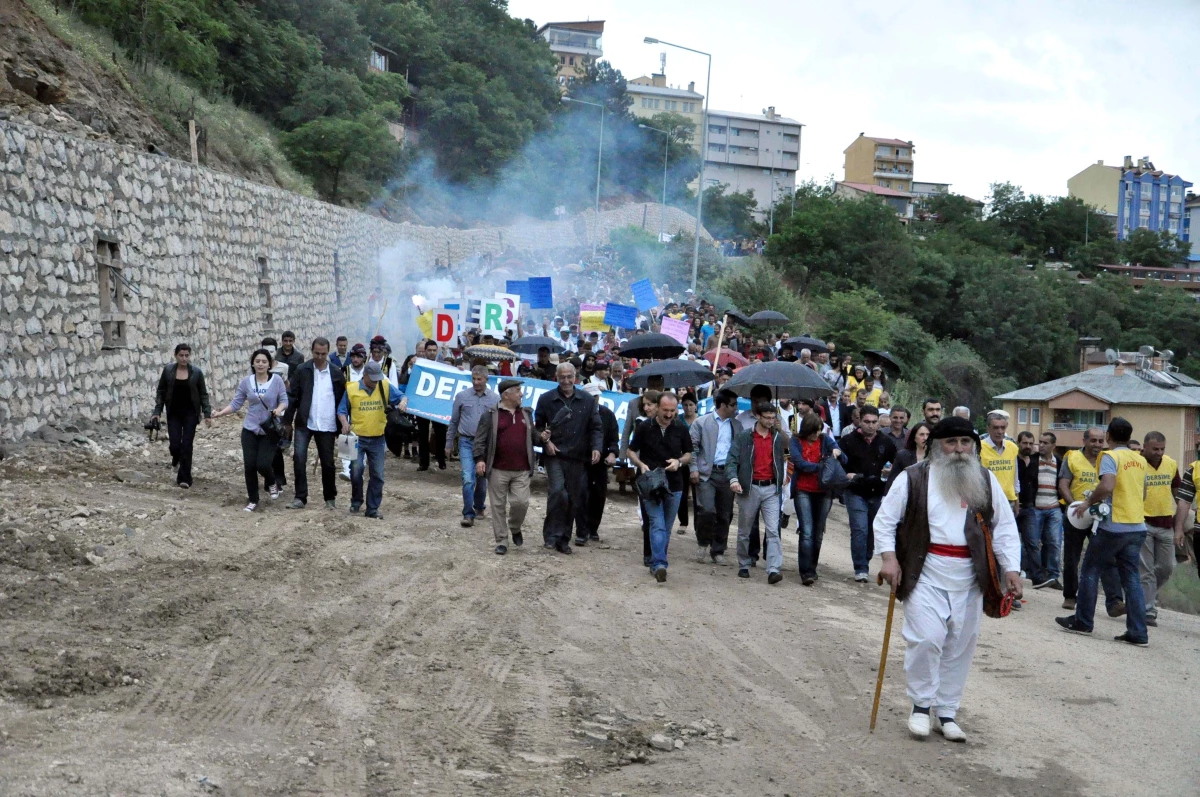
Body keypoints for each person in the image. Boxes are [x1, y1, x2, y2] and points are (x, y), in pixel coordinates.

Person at [876, 416, 1021, 742]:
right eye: (951, 443)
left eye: (965, 443)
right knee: (927, 639)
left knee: (960, 646)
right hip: (924, 573)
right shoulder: (912, 478)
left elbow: (1005, 528)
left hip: (970, 578)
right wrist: (888, 558)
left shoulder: (984, 479)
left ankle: (947, 712)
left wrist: (1011, 568)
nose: (958, 450)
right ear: (936, 447)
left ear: (973, 446)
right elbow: (885, 520)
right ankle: (921, 707)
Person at [1056, 418, 1150, 646]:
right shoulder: (1139, 459)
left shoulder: (1109, 457)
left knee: (1090, 569)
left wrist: (1087, 503)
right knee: (1132, 579)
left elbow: (1107, 485)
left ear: (1108, 436)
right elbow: (1144, 492)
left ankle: (1083, 621)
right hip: (1137, 525)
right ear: (1129, 436)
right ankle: (1138, 632)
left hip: (1113, 525)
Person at [535, 363, 602, 554]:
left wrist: (596, 447)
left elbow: (596, 427)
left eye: (569, 377)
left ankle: (564, 538)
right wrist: (545, 442)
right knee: (558, 492)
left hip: (578, 457)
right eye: (562, 377)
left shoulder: (588, 401)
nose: (566, 381)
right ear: (556, 377)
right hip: (555, 454)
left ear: (576, 377)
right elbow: (537, 428)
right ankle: (551, 535)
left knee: (573, 498)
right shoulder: (546, 399)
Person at [211, 348, 289, 512]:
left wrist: (278, 409)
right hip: (250, 429)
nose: (260, 364)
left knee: (263, 464)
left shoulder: (277, 381)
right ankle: (253, 499)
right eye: (257, 361)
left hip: (269, 430)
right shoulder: (246, 382)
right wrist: (220, 414)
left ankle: (272, 481)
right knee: (250, 466)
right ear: (253, 363)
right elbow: (236, 403)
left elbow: (284, 400)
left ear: (269, 364)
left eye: (264, 361)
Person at [628, 393, 694, 582]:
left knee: (666, 525)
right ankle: (659, 564)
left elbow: (689, 453)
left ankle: (657, 560)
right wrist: (640, 464)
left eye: (672, 411)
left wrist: (679, 462)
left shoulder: (681, 428)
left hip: (674, 483)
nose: (669, 414)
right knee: (656, 523)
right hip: (651, 483)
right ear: (657, 407)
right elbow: (630, 450)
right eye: (665, 410)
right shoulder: (644, 427)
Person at [1058, 427, 1124, 614]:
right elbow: (1063, 484)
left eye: (1100, 441)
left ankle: (1115, 601)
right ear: (1084, 440)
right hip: (1076, 515)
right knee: (1072, 556)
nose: (1097, 445)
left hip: (1101, 515)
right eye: (1093, 440)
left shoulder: (1109, 459)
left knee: (1107, 557)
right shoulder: (1071, 457)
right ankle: (1070, 596)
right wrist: (1074, 506)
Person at [727, 401, 789, 584]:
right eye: (767, 418)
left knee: (772, 530)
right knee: (745, 530)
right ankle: (744, 563)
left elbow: (791, 446)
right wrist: (734, 479)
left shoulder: (777, 437)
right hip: (750, 486)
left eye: (773, 418)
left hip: (771, 488)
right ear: (759, 417)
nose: (770, 421)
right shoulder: (745, 437)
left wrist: (781, 430)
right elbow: (732, 459)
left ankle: (773, 568)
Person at [473, 379, 535, 555]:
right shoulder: (491, 415)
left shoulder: (526, 414)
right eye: (517, 390)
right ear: (506, 394)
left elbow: (534, 437)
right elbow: (480, 439)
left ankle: (514, 527)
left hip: (522, 469)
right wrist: (479, 459)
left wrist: (543, 437)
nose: (521, 394)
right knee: (497, 506)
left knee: (521, 502)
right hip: (498, 469)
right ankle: (501, 540)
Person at [283, 337, 346, 510]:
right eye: (317, 353)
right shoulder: (302, 370)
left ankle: (330, 498)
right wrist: (287, 421)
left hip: (327, 424)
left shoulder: (336, 373)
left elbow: (342, 399)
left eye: (323, 354)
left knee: (328, 463)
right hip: (305, 422)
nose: (320, 357)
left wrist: (343, 422)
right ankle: (300, 497)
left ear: (328, 352)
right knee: (299, 459)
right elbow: (292, 396)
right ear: (312, 351)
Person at [337, 359, 404, 519]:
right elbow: (341, 410)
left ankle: (372, 508)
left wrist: (403, 402)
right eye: (372, 379)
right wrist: (344, 422)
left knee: (378, 475)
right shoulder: (351, 389)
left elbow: (401, 396)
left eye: (377, 379)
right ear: (365, 376)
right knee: (355, 471)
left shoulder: (384, 386)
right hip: (355, 438)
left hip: (378, 438)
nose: (375, 382)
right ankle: (356, 500)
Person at [841, 405, 898, 581]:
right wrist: (846, 474)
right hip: (855, 491)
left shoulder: (886, 442)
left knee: (872, 530)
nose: (871, 425)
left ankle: (865, 557)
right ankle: (860, 568)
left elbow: (896, 464)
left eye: (874, 422)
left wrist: (889, 472)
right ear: (860, 421)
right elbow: (838, 464)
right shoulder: (848, 441)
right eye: (867, 422)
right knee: (859, 529)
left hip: (877, 492)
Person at [790, 411, 845, 585]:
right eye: (813, 432)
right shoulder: (796, 441)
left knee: (818, 533)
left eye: (819, 431)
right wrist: (822, 466)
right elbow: (800, 464)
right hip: (803, 489)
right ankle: (805, 571)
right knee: (807, 532)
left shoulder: (825, 439)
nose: (816, 435)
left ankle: (812, 568)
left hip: (824, 490)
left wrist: (837, 451)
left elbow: (843, 457)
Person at [151, 343, 212, 489]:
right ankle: (176, 458)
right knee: (175, 445)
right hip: (174, 413)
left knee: (187, 445)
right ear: (175, 356)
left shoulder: (196, 373)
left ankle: (185, 478)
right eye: (181, 355)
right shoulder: (168, 371)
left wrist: (207, 413)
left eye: (187, 355)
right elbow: (161, 392)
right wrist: (157, 412)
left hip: (191, 413)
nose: (184, 358)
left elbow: (203, 394)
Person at [690, 389, 738, 565]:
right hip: (706, 474)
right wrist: (693, 468)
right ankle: (703, 542)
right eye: (733, 405)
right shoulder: (701, 423)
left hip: (727, 473)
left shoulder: (736, 425)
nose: (736, 408)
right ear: (723, 405)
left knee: (725, 514)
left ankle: (718, 549)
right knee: (707, 510)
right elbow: (693, 447)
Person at [447, 365, 500, 528]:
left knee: (482, 477)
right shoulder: (462, 396)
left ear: (486, 379)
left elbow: (498, 424)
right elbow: (454, 421)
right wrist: (449, 443)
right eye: (474, 379)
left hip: (485, 444)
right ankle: (468, 514)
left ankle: (479, 507)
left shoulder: (495, 399)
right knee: (468, 477)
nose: (476, 382)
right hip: (466, 441)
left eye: (480, 379)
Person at [1139, 431, 1178, 626]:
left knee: (1167, 567)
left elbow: (1177, 491)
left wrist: (1180, 522)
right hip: (1142, 521)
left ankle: (1142, 596)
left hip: (1166, 523)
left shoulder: (1170, 464)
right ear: (1144, 447)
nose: (1159, 452)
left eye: (1162, 449)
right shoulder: (1137, 464)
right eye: (1155, 449)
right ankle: (1148, 610)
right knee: (1145, 570)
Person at [1026, 432, 1063, 590]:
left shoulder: (1060, 463)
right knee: (1033, 542)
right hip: (1036, 508)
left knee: (1054, 542)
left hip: (1054, 508)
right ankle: (1037, 574)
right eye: (1040, 442)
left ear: (1053, 446)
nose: (1041, 445)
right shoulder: (1032, 461)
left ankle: (1053, 576)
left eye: (1045, 443)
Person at [583, 383, 620, 543]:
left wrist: (612, 454)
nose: (594, 400)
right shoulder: (576, 413)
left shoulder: (607, 415)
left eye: (596, 397)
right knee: (580, 494)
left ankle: (593, 528)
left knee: (598, 495)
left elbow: (613, 439)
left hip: (600, 461)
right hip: (581, 460)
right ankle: (581, 529)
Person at [979, 412, 1019, 517]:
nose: (1000, 431)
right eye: (995, 428)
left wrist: (1017, 500)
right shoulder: (979, 447)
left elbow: (1015, 477)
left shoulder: (1012, 447)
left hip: (1008, 500)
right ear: (988, 428)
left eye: (1002, 428)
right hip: (988, 501)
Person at [416, 340, 447, 471]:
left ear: (437, 351)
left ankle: (441, 460)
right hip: (422, 403)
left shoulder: (443, 365)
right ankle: (424, 462)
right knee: (422, 434)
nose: (432, 353)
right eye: (429, 350)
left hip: (438, 404)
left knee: (440, 433)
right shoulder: (418, 364)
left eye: (434, 350)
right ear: (425, 351)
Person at [886, 422, 931, 492]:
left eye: (928, 435)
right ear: (914, 438)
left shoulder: (937, 456)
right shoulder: (903, 455)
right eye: (921, 435)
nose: (925, 438)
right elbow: (893, 479)